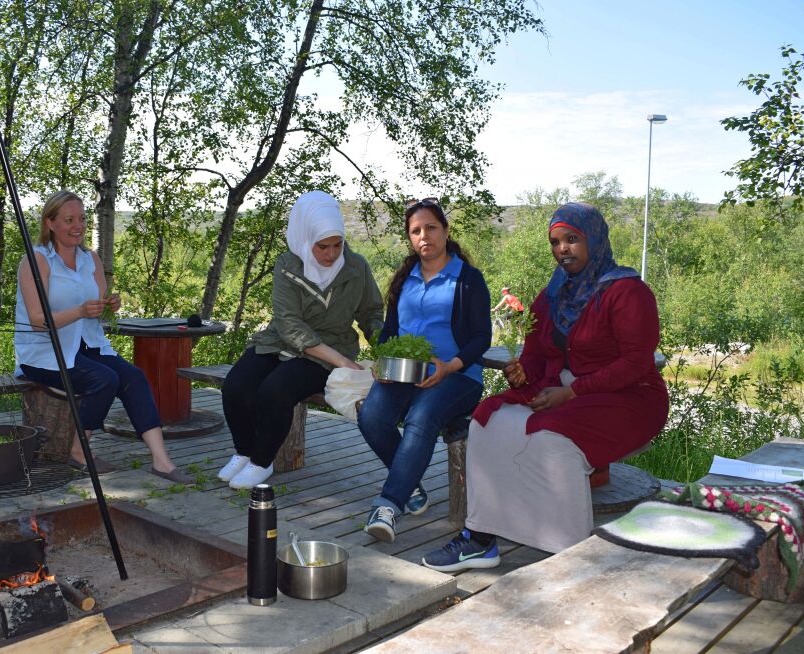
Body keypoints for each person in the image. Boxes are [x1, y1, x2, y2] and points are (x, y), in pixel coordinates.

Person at [422, 202, 669, 571]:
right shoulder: (554, 294)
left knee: (551, 438)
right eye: (555, 242)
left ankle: (569, 555)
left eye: (572, 239)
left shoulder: (628, 292)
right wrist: (523, 372)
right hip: (563, 391)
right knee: (488, 422)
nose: (562, 249)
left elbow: (635, 364)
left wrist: (573, 392)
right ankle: (480, 539)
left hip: (629, 397)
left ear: (594, 240)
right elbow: (537, 354)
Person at [14, 190, 193, 484]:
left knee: (133, 377)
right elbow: (37, 322)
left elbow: (97, 309)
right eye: (69, 219)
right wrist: (81, 311)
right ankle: (79, 452)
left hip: (86, 346)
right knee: (104, 379)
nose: (78, 226)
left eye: (82, 219)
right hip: (44, 352)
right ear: (50, 223)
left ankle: (162, 462)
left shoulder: (90, 259)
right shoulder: (36, 261)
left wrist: (108, 305)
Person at [218, 191, 384, 489]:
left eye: (338, 245)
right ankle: (244, 452)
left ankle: (261, 462)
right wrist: (342, 362)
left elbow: (371, 313)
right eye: (323, 246)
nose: (332, 253)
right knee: (236, 385)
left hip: (330, 346)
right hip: (281, 340)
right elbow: (288, 322)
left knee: (275, 390)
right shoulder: (287, 264)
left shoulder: (356, 267)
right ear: (306, 239)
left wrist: (384, 347)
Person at [358, 197, 492, 543]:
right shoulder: (405, 279)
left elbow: (481, 337)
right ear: (410, 238)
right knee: (371, 415)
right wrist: (383, 361)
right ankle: (409, 482)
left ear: (446, 231)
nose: (424, 236)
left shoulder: (467, 279)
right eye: (416, 231)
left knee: (422, 415)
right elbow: (389, 331)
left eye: (431, 227)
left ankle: (388, 505)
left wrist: (450, 367)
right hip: (405, 372)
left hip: (459, 376)